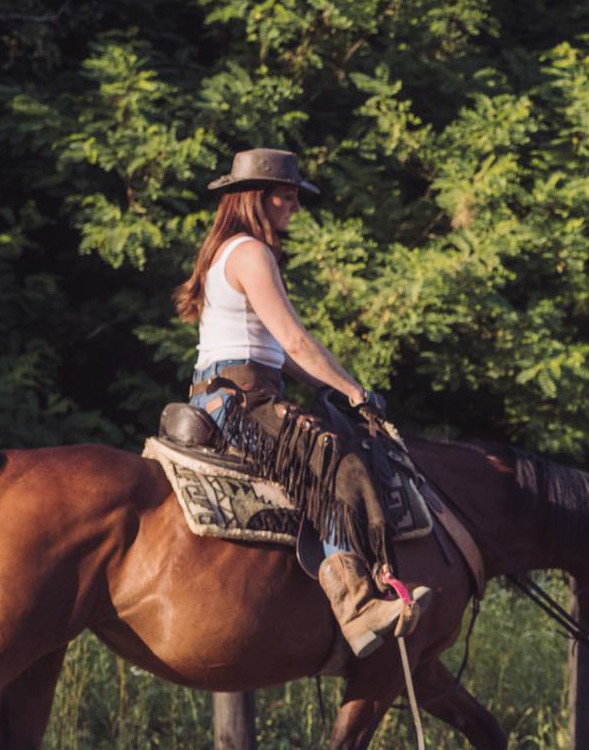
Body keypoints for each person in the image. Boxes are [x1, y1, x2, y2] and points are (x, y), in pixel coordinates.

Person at [172, 147, 419, 657]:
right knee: (338, 463)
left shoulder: (230, 251)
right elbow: (296, 342)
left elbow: (282, 358)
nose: (295, 209)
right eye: (287, 197)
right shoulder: (250, 253)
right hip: (242, 400)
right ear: (258, 199)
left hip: (227, 390)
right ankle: (355, 606)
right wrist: (355, 392)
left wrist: (344, 390)